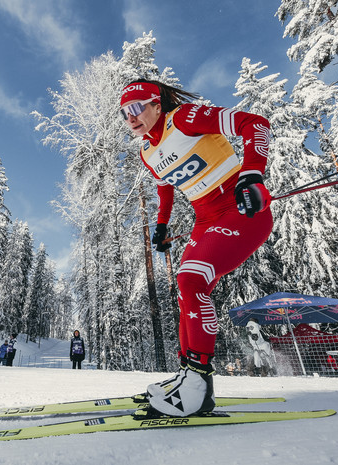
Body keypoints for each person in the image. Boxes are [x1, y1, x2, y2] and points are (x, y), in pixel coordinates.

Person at [120, 80, 273, 417]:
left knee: (191, 280)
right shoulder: (147, 151)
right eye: (124, 112)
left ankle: (198, 387)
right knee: (185, 290)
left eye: (137, 107)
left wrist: (252, 175)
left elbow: (255, 123)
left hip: (239, 208)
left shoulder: (186, 118)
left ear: (157, 105)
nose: (130, 117)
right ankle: (188, 376)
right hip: (205, 218)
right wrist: (161, 225)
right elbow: (164, 188)